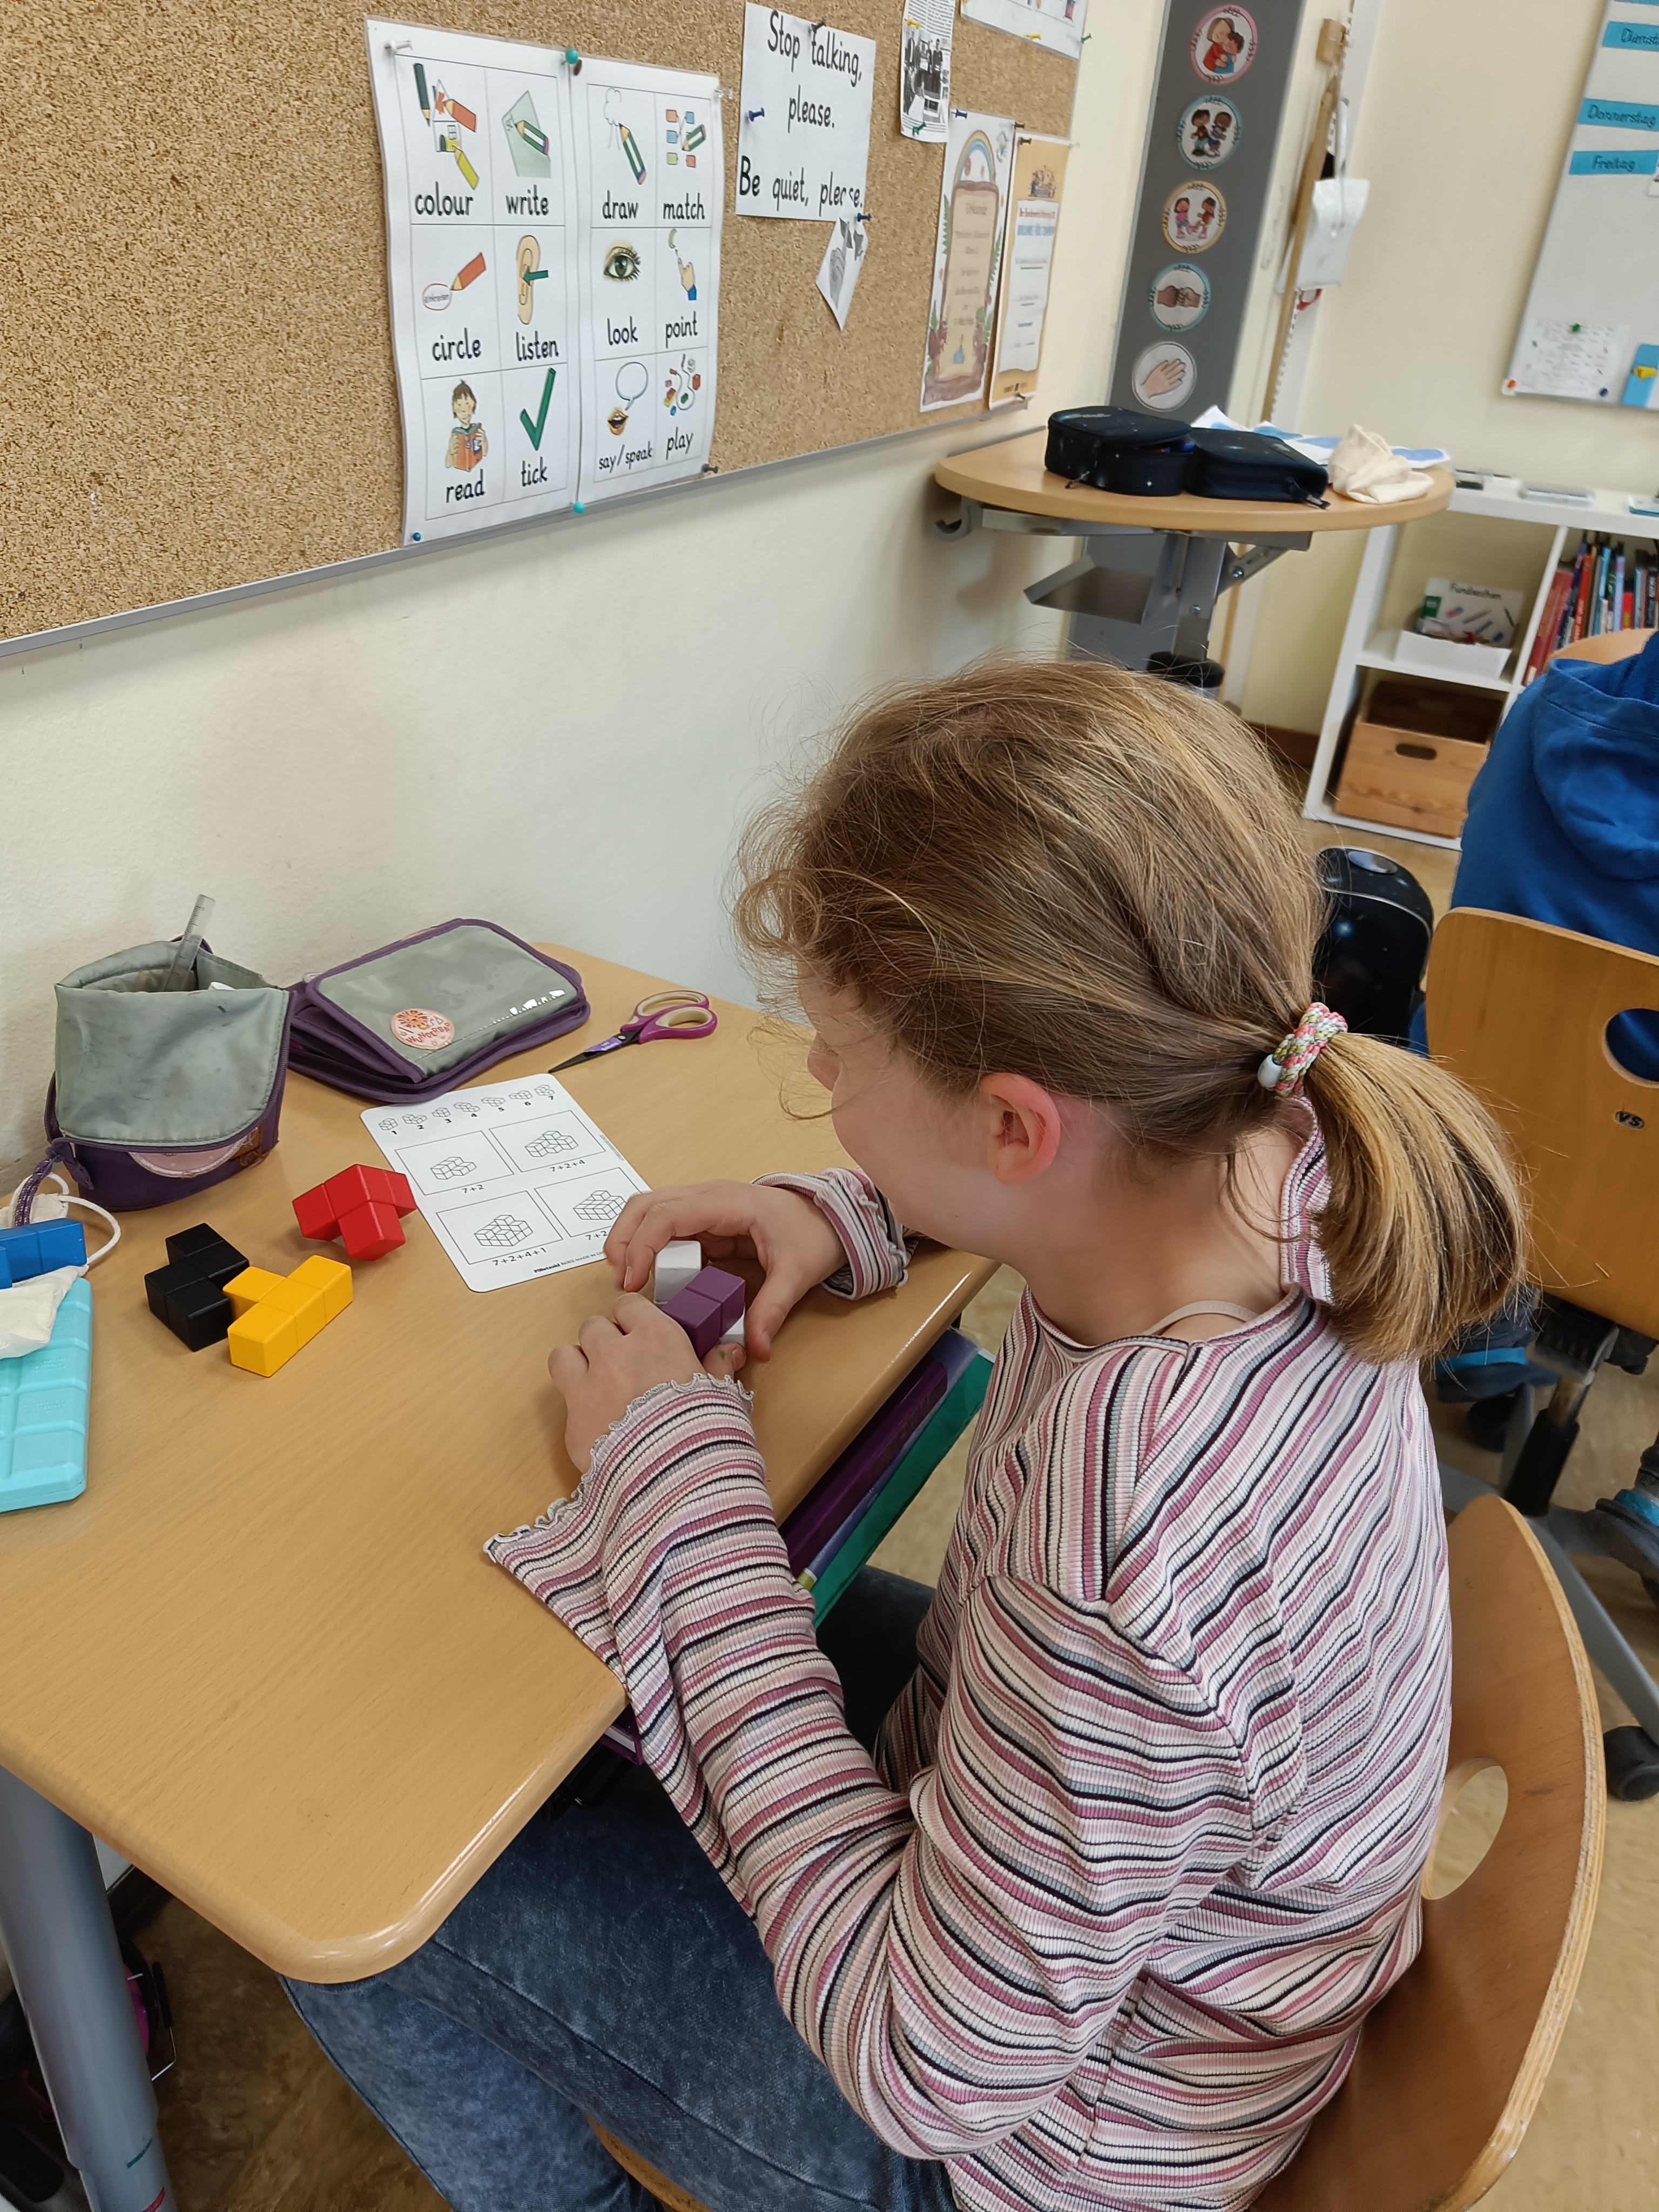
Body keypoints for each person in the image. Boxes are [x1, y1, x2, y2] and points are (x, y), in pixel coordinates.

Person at [288, 663, 1524, 2212]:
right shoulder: (1284, 1140)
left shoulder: (1126, 1535)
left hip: (1038, 2141)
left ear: (1014, 1126)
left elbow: (921, 2065)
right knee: (529, 1700)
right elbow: (1078, 1171)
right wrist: (846, 1211)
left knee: (347, 1892)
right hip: (1135, 1911)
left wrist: (680, 1489)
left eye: (837, 1055)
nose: (815, 1079)